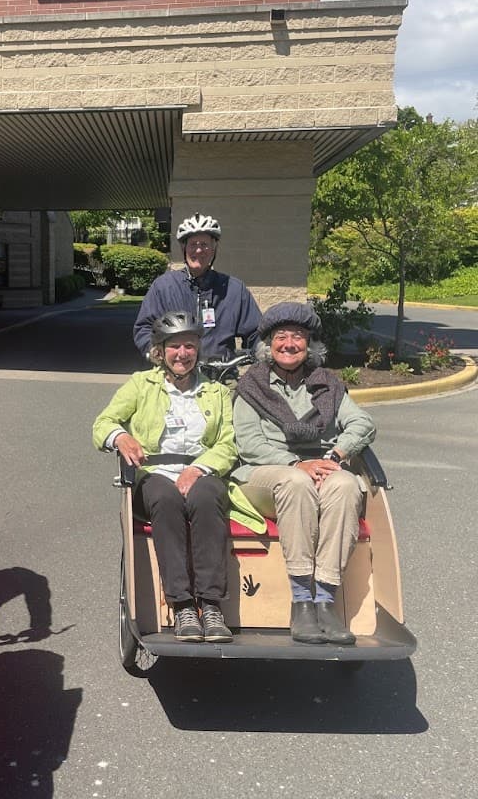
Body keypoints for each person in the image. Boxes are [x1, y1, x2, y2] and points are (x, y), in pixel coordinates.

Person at [232, 302, 376, 645]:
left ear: (310, 345)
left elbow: (362, 423)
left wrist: (337, 454)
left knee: (344, 486)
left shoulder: (327, 384)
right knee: (297, 482)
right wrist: (297, 464)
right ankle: (301, 602)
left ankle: (326, 601)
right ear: (268, 344)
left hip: (320, 469)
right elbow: (249, 444)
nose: (289, 343)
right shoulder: (251, 385)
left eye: (298, 337)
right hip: (264, 474)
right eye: (281, 336)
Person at [93, 311, 241, 643]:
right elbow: (102, 423)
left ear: (198, 350)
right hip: (154, 472)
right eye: (174, 346)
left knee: (207, 497)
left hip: (200, 469)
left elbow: (228, 443)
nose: (182, 354)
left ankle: (211, 604)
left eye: (189, 346)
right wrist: (120, 437)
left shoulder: (216, 392)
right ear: (160, 351)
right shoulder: (140, 384)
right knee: (166, 497)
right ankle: (183, 604)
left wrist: (198, 469)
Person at [133, 212, 262, 360]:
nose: (199, 250)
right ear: (184, 249)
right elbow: (145, 327)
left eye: (204, 245)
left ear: (214, 249)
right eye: (193, 244)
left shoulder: (234, 289)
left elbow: (255, 331)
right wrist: (153, 349)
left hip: (221, 374)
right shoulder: (163, 287)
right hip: (176, 370)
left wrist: (262, 349)